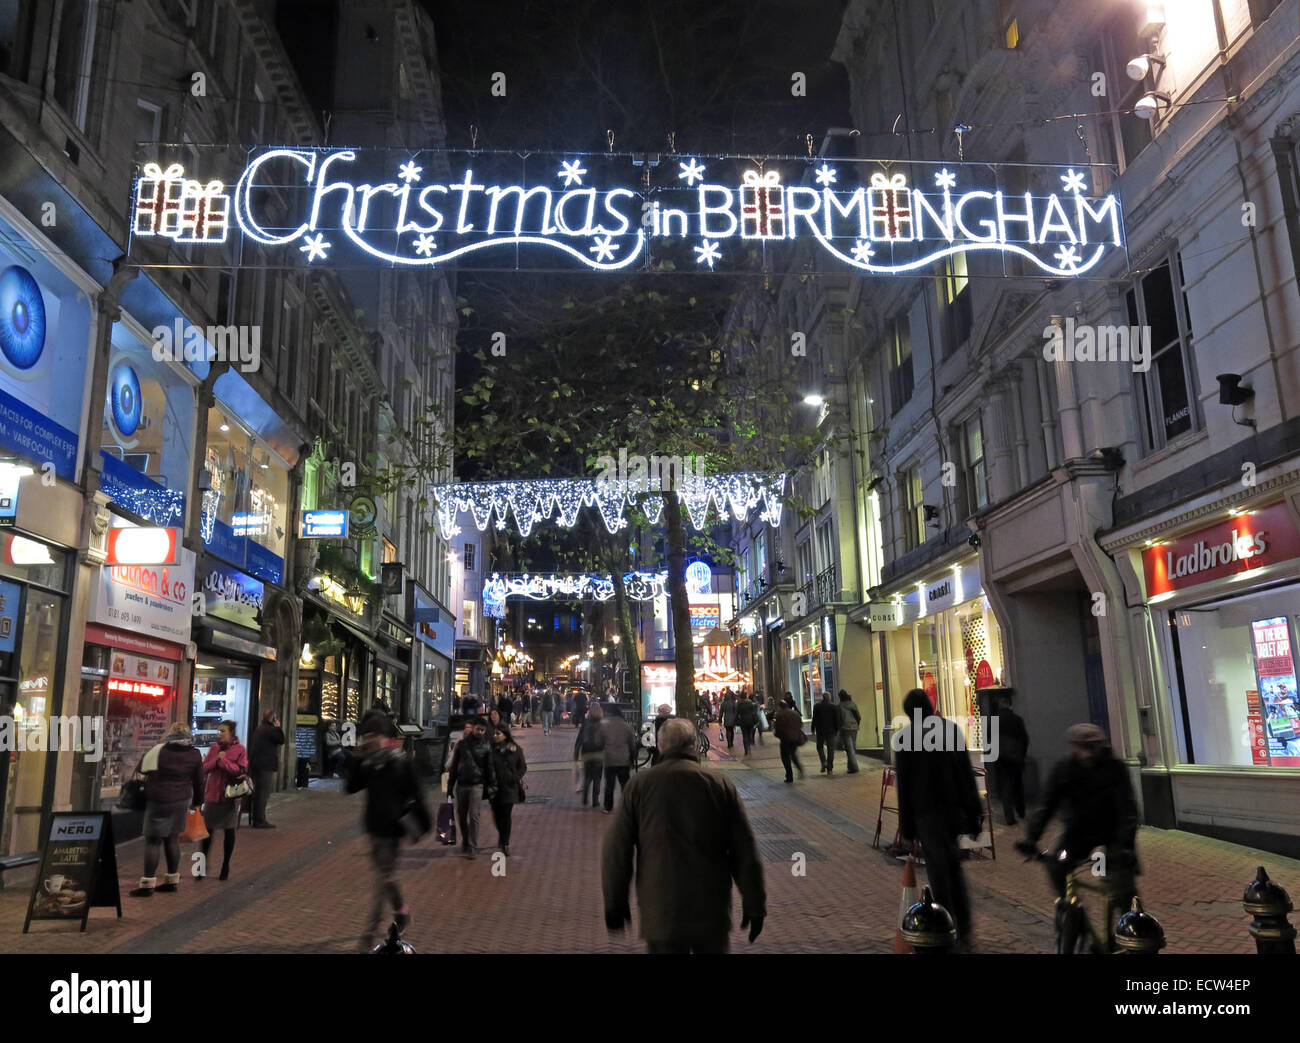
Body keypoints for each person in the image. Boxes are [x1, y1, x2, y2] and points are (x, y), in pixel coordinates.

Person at [602, 718, 766, 954]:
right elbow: (744, 849)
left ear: (660, 746)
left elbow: (617, 850)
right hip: (711, 908)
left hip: (661, 908)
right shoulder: (719, 785)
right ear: (692, 745)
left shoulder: (639, 787)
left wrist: (615, 902)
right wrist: (755, 904)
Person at [895, 689, 982, 950]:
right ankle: (964, 926)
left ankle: (946, 926)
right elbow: (965, 773)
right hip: (952, 810)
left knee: (939, 870)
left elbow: (905, 789)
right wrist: (974, 811)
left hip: (927, 814)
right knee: (953, 866)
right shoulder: (950, 730)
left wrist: (907, 830)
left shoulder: (906, 738)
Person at [1015, 723, 1139, 902]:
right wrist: (1031, 838)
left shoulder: (1114, 768)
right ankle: (1070, 908)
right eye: (1082, 747)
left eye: (1091, 747)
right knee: (1055, 865)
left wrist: (1126, 845)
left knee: (1123, 888)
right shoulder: (1065, 768)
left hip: (1112, 832)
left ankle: (1128, 917)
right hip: (1077, 832)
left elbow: (1128, 810)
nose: (1086, 753)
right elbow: (1047, 804)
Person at [345, 708, 429, 951]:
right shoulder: (369, 763)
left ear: (384, 736)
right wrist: (357, 758)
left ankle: (371, 929)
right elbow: (351, 787)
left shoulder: (400, 763)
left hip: (393, 830)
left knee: (384, 878)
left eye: (373, 735)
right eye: (366, 735)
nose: (369, 740)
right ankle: (402, 912)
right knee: (386, 877)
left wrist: (421, 827)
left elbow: (418, 796)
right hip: (374, 828)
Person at [130, 722, 204, 897]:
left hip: (158, 800)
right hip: (181, 800)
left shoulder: (158, 751)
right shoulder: (195, 754)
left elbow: (140, 771)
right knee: (172, 839)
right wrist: (198, 801)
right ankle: (171, 881)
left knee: (153, 841)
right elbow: (199, 781)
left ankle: (147, 883)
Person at [199, 720, 248, 881]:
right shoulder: (214, 748)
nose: (219, 734)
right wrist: (216, 760)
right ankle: (201, 867)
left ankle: (225, 865)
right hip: (212, 795)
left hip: (230, 797)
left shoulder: (240, 749)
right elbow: (204, 769)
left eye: (223, 731)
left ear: (231, 733)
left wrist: (223, 761)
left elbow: (240, 770)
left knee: (229, 831)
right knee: (207, 832)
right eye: (218, 731)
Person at [447, 716, 496, 858]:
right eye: (478, 729)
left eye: (483, 730)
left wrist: (492, 786)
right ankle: (466, 841)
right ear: (473, 727)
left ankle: (473, 847)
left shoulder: (486, 746)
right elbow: (454, 767)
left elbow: (489, 768)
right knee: (461, 816)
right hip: (462, 784)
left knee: (474, 815)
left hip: (477, 785)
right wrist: (450, 787)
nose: (480, 732)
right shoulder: (461, 745)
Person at [488, 724, 527, 856]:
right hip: (495, 788)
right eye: (494, 734)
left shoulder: (515, 749)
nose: (495, 736)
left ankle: (505, 843)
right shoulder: (491, 750)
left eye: (498, 733)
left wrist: (514, 777)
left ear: (505, 734)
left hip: (510, 788)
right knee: (497, 815)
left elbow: (522, 767)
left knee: (506, 815)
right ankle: (502, 834)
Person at [248, 709, 285, 827]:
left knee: (258, 792)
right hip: (265, 766)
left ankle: (256, 818)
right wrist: (278, 727)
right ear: (273, 719)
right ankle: (259, 820)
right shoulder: (271, 730)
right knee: (263, 793)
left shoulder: (259, 729)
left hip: (256, 764)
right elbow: (281, 740)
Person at [995, 697, 1029, 825]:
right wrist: (1022, 754)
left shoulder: (994, 720)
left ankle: (1009, 817)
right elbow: (1025, 739)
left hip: (1001, 759)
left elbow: (988, 741)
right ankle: (1021, 811)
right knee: (1017, 785)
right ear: (1010, 705)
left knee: (1005, 787)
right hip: (1016, 758)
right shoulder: (1017, 719)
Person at [600, 705, 637, 812]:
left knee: (609, 785)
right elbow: (632, 744)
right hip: (623, 759)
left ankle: (608, 807)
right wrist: (632, 757)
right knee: (625, 784)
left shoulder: (604, 726)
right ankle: (627, 806)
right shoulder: (626, 726)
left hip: (609, 759)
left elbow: (600, 742)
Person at [574, 702, 605, 807]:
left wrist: (576, 754)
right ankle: (595, 801)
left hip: (586, 754)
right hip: (599, 754)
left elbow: (579, 740)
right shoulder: (602, 723)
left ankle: (585, 798)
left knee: (588, 777)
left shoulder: (585, 723)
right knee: (597, 778)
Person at [772, 694, 806, 783]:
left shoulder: (780, 714)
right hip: (794, 738)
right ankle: (799, 768)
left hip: (785, 738)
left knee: (785, 757)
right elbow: (800, 724)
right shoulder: (794, 713)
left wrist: (778, 734)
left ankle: (789, 776)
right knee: (793, 755)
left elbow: (777, 727)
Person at [811, 691, 843, 775]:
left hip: (820, 730)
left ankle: (823, 761)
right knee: (830, 749)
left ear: (823, 697)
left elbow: (814, 719)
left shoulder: (817, 706)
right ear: (830, 698)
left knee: (819, 747)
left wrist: (812, 729)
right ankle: (829, 768)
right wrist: (837, 730)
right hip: (831, 731)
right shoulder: (834, 707)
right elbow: (837, 720)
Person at [836, 690, 862, 774]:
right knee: (852, 747)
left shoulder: (840, 706)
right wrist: (856, 724)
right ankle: (850, 767)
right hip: (854, 728)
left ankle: (854, 767)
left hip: (846, 728)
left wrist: (839, 728)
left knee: (849, 749)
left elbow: (839, 719)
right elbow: (858, 716)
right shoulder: (852, 704)